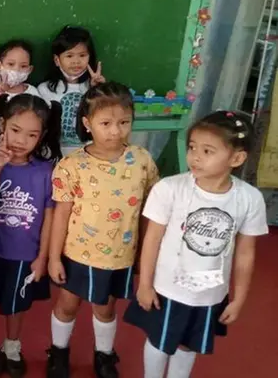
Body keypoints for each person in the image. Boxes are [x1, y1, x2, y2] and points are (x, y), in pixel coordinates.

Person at [124, 111, 268, 378]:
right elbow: (152, 239)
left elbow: (246, 254)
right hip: (167, 288)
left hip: (209, 293)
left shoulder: (249, 199)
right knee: (159, 341)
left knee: (188, 345)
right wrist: (144, 284)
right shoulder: (170, 189)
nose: (195, 156)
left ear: (237, 158)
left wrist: (238, 299)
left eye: (207, 150)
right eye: (192, 148)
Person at [46, 82, 158, 378]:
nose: (115, 131)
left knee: (105, 309)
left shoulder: (142, 161)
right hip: (78, 253)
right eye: (105, 123)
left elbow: (151, 213)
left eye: (124, 123)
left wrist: (146, 254)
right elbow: (61, 214)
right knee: (67, 305)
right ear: (87, 123)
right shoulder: (72, 165)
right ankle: (58, 351)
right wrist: (54, 257)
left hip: (120, 255)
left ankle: (104, 354)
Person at [0, 94, 60, 377]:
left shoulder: (45, 171)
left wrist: (43, 257)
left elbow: (49, 215)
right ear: (1, 124)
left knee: (16, 305)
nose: (21, 140)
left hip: (25, 254)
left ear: (42, 136)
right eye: (15, 130)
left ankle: (12, 345)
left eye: (32, 134)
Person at [37, 26, 106, 156]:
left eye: (82, 55)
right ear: (57, 60)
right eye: (69, 55)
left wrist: (99, 90)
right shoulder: (44, 90)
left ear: (89, 58)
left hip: (87, 155)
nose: (76, 61)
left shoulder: (93, 88)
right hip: (53, 154)